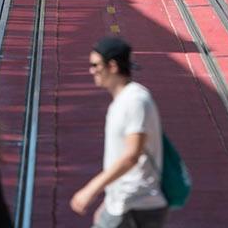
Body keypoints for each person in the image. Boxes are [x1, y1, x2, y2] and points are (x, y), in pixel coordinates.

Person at [70, 37, 168, 228]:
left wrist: (91, 189)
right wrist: (108, 201)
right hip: (125, 202)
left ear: (112, 66)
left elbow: (132, 155)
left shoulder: (135, 101)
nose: (92, 70)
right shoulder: (124, 100)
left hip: (136, 203)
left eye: (96, 65)